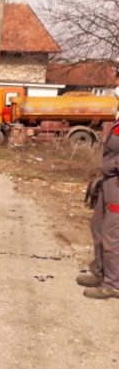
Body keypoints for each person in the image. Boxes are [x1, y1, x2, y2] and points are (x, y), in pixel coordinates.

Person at [81, 117, 119, 299]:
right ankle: (100, 272)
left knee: (112, 236)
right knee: (97, 226)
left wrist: (112, 169)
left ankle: (113, 284)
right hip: (109, 181)